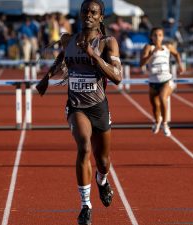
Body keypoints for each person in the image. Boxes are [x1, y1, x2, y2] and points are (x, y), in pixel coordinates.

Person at [35, 0, 122, 224]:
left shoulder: (107, 42)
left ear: (101, 17)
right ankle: (85, 205)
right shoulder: (68, 39)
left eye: (94, 12)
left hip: (98, 106)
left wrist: (93, 55)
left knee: (103, 160)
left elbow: (117, 77)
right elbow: (62, 57)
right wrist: (46, 78)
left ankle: (102, 182)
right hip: (76, 106)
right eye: (85, 11)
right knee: (84, 146)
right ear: (79, 14)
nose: (88, 15)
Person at [140, 27, 184, 136]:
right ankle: (157, 121)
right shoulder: (148, 47)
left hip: (166, 80)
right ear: (151, 37)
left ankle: (165, 123)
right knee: (155, 106)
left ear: (163, 37)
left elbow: (177, 54)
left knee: (163, 98)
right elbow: (141, 63)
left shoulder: (168, 47)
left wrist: (180, 65)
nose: (157, 37)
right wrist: (151, 54)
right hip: (153, 81)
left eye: (160, 35)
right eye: (155, 35)